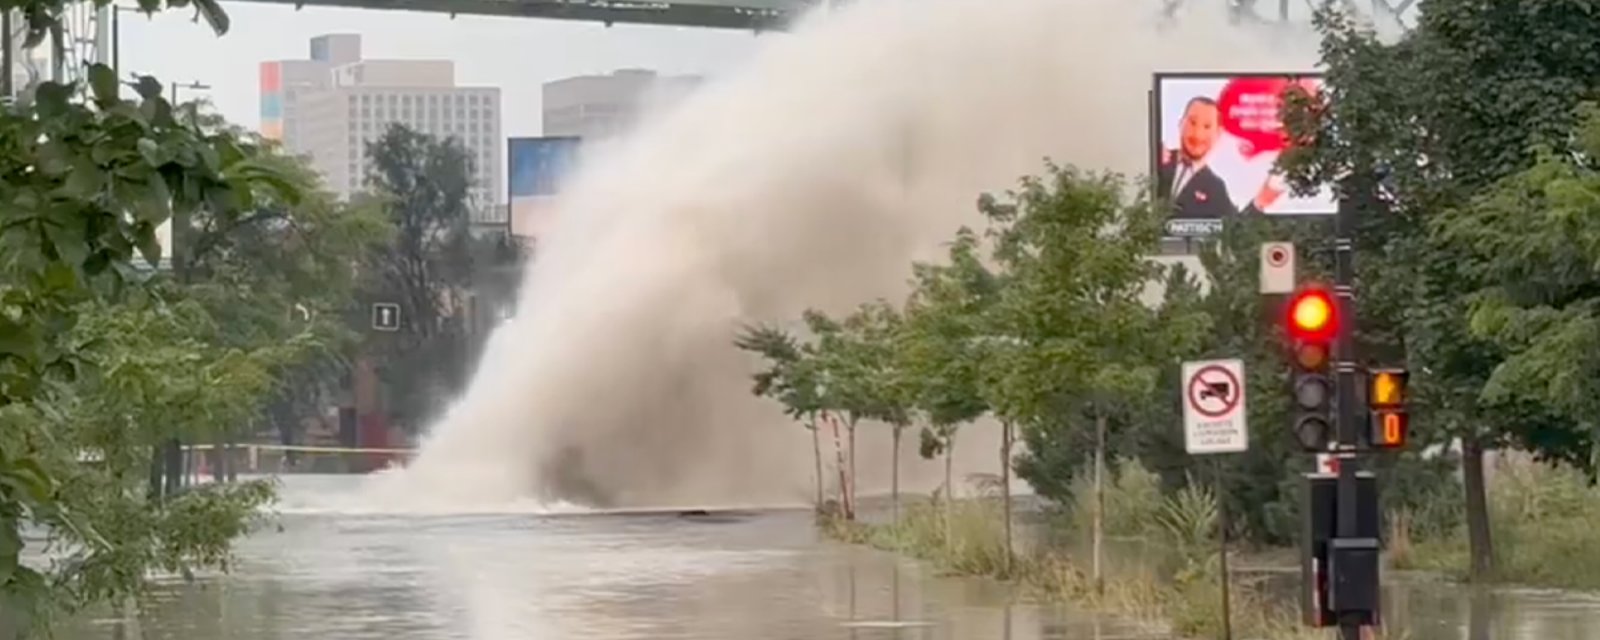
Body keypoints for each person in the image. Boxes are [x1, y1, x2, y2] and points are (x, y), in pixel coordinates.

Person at [1156, 95, 1286, 219]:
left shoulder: (1215, 188)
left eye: (1207, 126)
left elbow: (1235, 229)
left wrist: (1260, 201)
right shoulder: (1157, 160)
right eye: (1192, 122)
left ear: (1217, 134)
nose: (1198, 134)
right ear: (1181, 124)